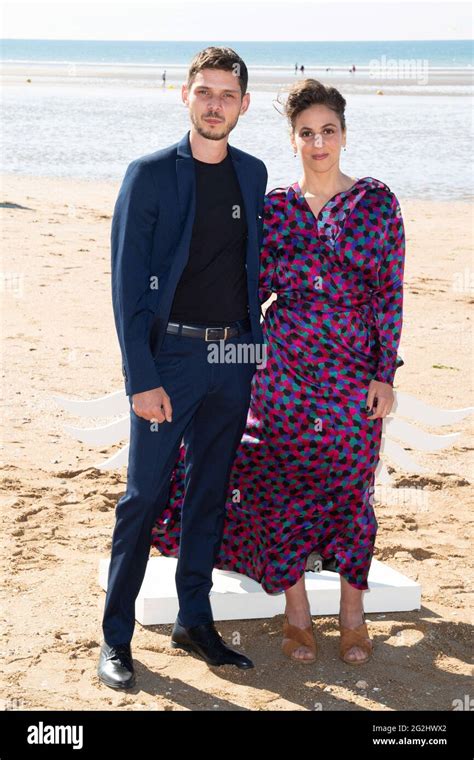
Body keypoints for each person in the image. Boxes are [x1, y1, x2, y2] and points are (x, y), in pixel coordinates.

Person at [151, 79, 406, 666]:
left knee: (350, 485)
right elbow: (246, 291)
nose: (319, 142)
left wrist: (383, 372)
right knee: (284, 481)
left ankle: (352, 613)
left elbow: (390, 294)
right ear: (292, 140)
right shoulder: (277, 208)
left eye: (328, 131)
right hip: (284, 366)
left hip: (351, 368)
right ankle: (296, 616)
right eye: (306, 133)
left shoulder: (377, 202)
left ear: (344, 134)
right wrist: (205, 348)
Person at [97, 46, 268, 690]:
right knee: (143, 496)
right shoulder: (148, 174)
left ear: (244, 105)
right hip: (169, 357)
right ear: (186, 97)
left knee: (209, 492)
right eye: (204, 92)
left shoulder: (252, 174)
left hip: (234, 358)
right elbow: (125, 288)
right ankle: (115, 638)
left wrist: (253, 353)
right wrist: (140, 377)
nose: (215, 103)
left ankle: (194, 619)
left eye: (227, 94)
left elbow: (253, 268)